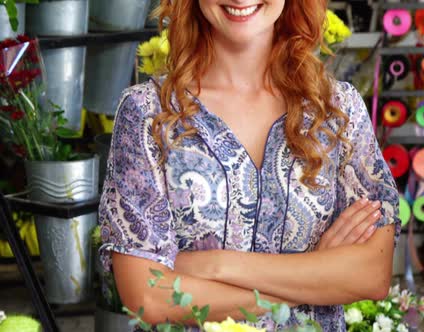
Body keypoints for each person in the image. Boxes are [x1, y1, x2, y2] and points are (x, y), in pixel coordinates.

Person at [98, 0, 401, 330]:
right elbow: (148, 297)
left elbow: (371, 274)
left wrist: (216, 265)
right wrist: (315, 276)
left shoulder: (337, 110)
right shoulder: (148, 113)